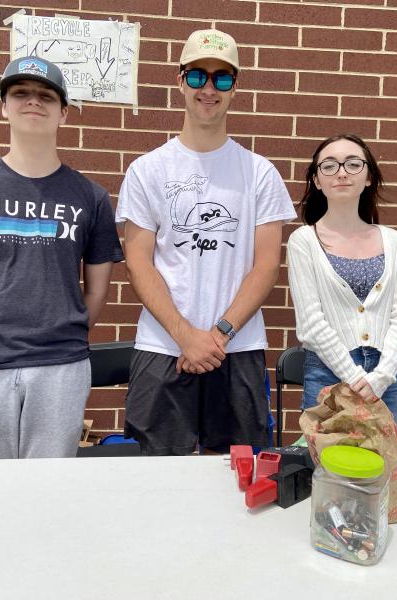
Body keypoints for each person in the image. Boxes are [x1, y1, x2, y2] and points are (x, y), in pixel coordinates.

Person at [0, 56, 124, 459]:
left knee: (46, 494)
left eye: (46, 96)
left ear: (64, 112)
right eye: (21, 93)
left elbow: (97, 292)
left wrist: (59, 334)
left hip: (59, 366)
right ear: (4, 106)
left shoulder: (91, 197)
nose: (34, 102)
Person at [116, 29, 296, 455]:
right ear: (180, 81)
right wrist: (185, 336)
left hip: (237, 347)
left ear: (235, 86)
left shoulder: (259, 173)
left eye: (222, 78)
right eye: (197, 76)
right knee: (156, 476)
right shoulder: (147, 171)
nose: (209, 88)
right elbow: (138, 263)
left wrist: (216, 335)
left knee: (240, 478)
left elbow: (266, 265)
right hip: (163, 346)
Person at [287, 134, 397, 441]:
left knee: (386, 477)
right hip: (328, 376)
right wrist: (356, 377)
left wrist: (381, 378)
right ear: (316, 180)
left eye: (353, 164)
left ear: (368, 176)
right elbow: (311, 324)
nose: (341, 172)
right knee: (331, 478)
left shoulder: (392, 240)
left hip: (385, 377)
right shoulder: (304, 241)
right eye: (329, 166)